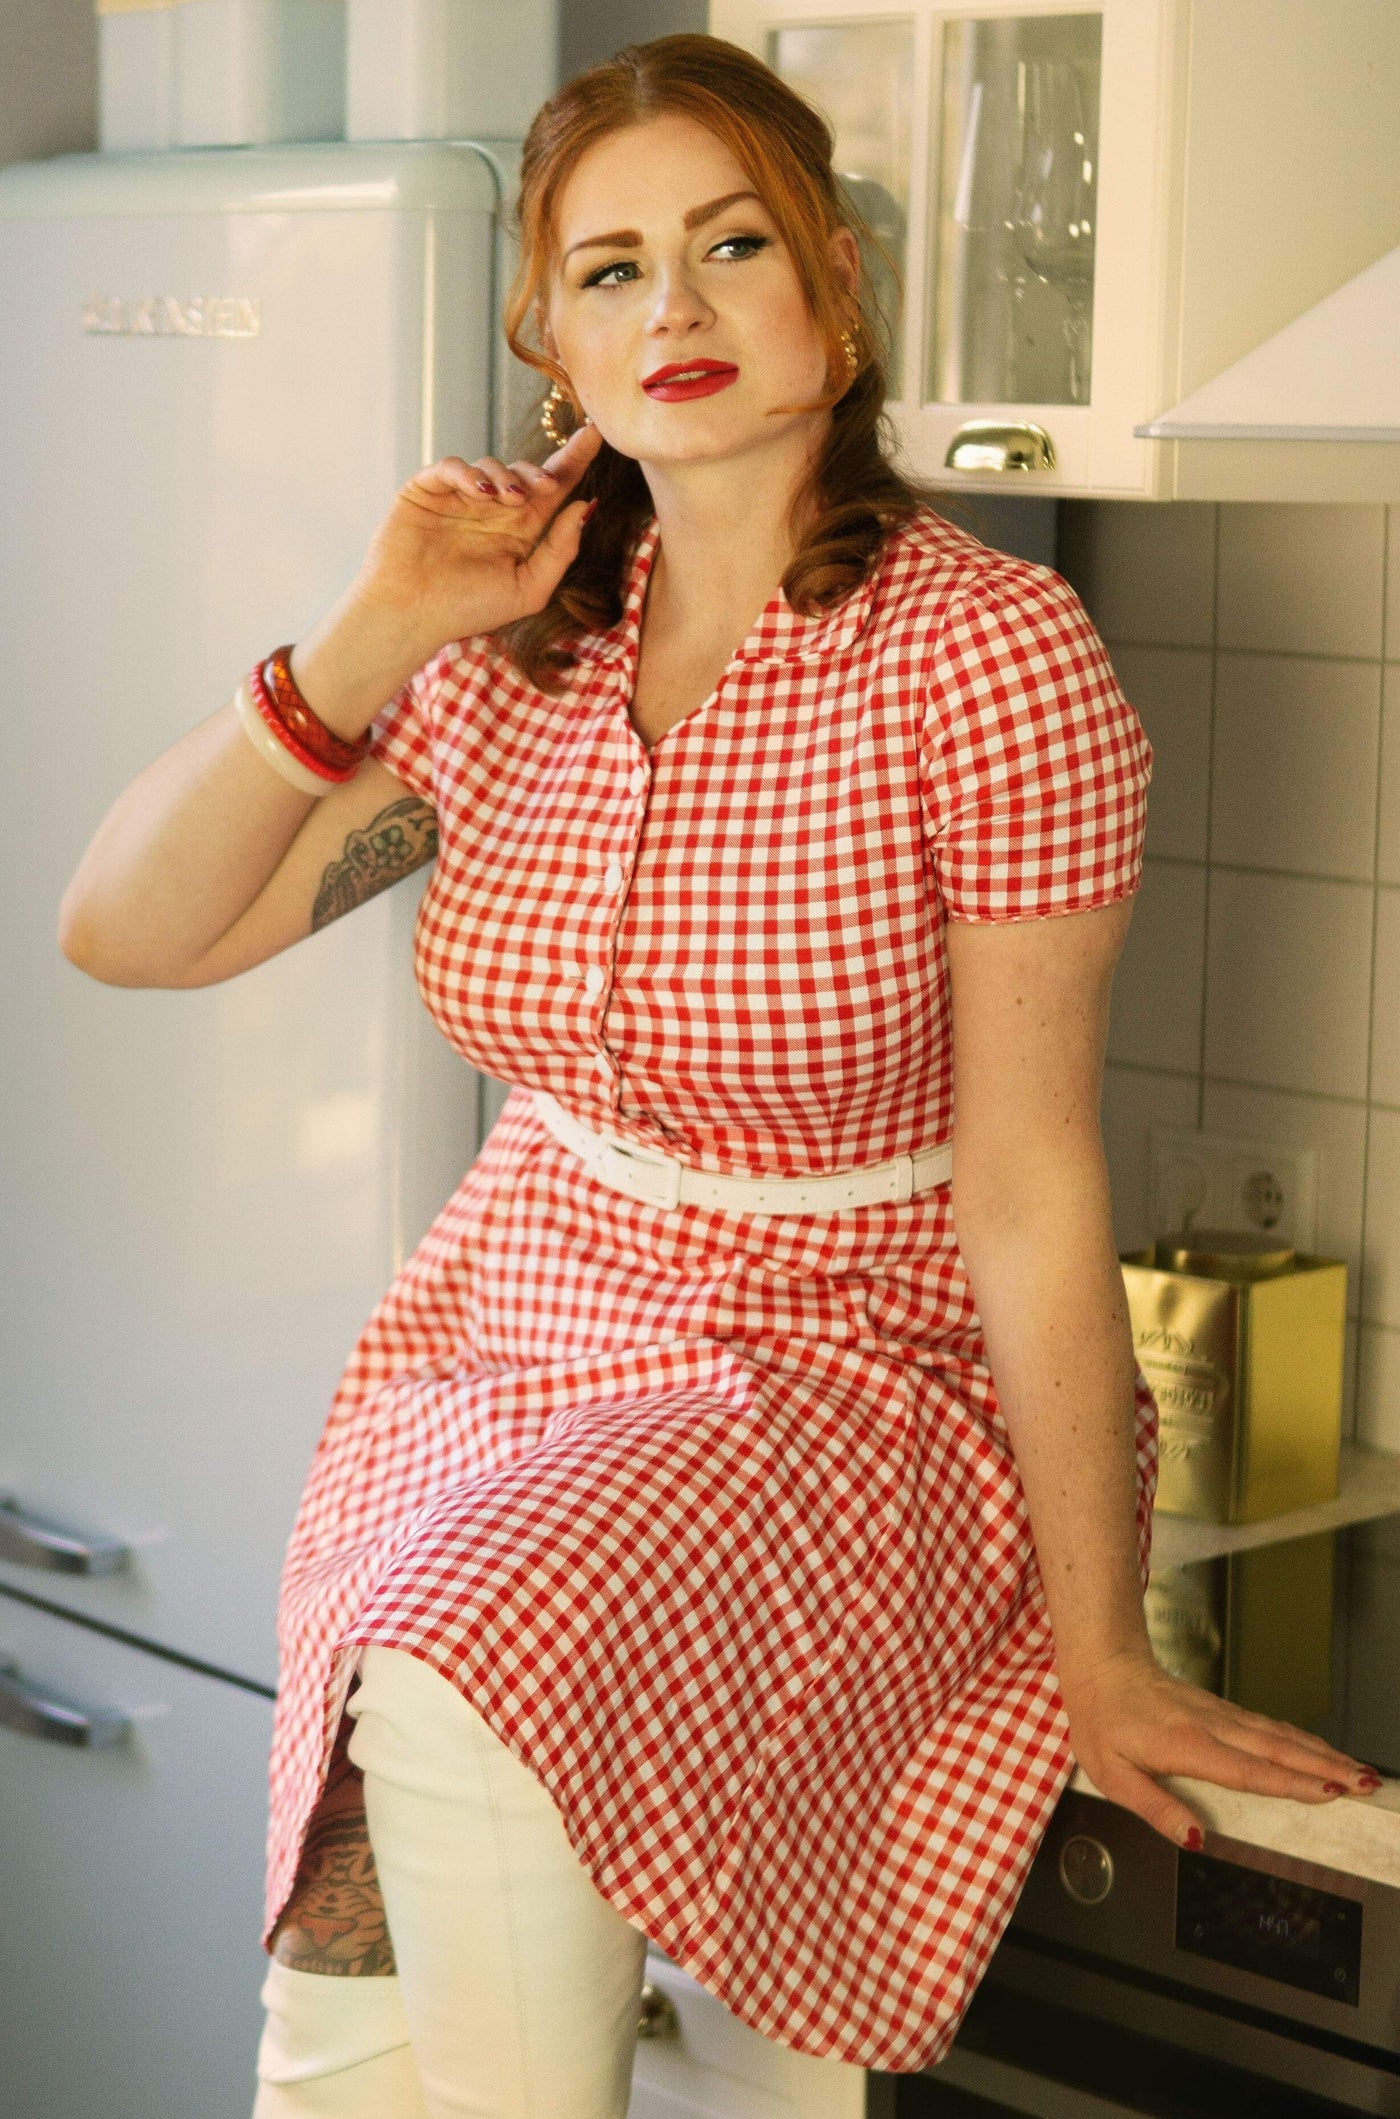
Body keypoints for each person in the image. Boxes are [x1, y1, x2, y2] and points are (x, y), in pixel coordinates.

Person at [59, 32, 1380, 2119]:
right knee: (351, 1957)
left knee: (453, 1663)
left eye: (726, 244)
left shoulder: (987, 657)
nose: (666, 310)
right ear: (550, 345)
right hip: (510, 1344)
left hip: (861, 1367)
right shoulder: (518, 652)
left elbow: (1031, 1177)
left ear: (831, 289)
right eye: (604, 272)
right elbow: (128, 929)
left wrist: (1101, 1639)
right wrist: (367, 629)